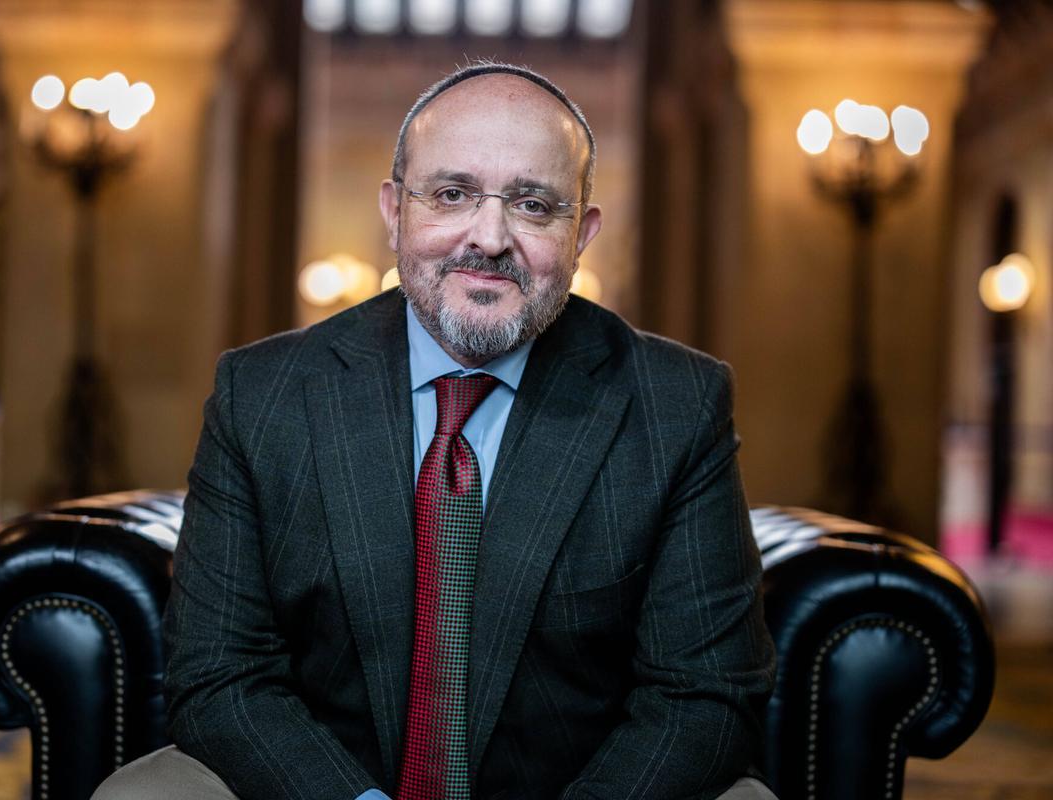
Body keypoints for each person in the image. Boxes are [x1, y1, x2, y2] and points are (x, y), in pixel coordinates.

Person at [95, 61, 777, 800]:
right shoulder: (263, 395)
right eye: (452, 194)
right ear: (394, 211)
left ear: (581, 233)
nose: (488, 237)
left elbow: (704, 694)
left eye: (533, 205)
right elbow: (221, 675)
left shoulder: (676, 403)